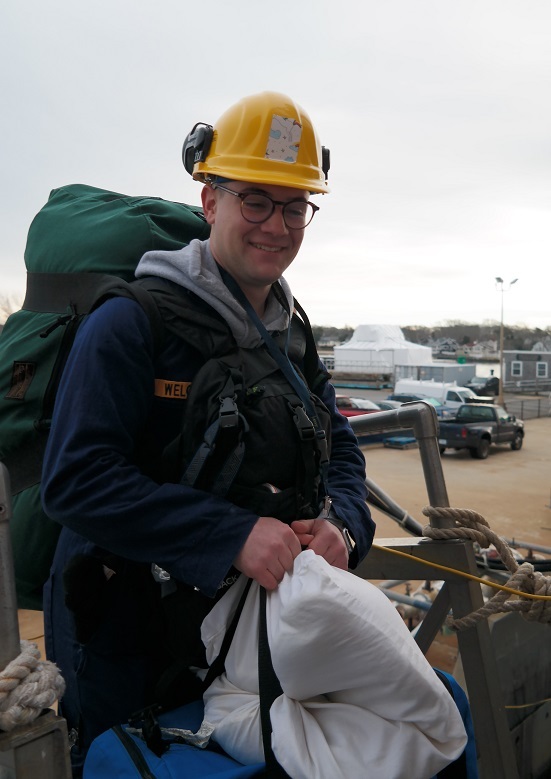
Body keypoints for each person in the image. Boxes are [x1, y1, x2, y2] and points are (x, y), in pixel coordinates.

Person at [41, 91, 375, 775]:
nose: (276, 225)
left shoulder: (291, 331)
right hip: (125, 634)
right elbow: (74, 479)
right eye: (255, 199)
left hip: (250, 632)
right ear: (209, 200)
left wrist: (343, 526)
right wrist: (227, 535)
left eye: (294, 205)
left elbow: (336, 442)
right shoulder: (132, 323)